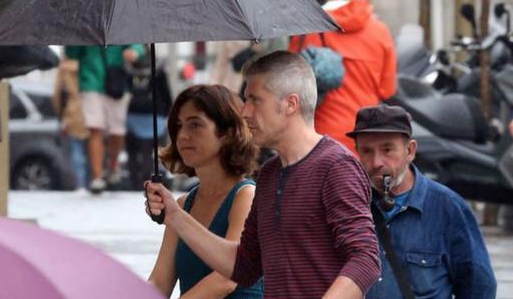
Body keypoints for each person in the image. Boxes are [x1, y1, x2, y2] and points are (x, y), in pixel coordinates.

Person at [146, 51, 380, 299]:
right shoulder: (269, 174)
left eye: (255, 100)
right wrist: (175, 215)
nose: (245, 112)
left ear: (291, 104)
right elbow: (244, 267)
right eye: (246, 100)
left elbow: (365, 259)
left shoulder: (336, 166)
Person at [348, 104, 497, 298]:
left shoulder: (448, 207)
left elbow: (479, 286)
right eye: (367, 151)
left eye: (387, 150)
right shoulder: (348, 204)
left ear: (410, 151)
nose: (377, 162)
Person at [147, 84, 263, 298]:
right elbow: (159, 281)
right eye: (179, 126)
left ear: (228, 133)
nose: (182, 135)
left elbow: (226, 280)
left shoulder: (246, 196)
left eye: (195, 125)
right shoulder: (182, 205)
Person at [290, 0, 396, 153]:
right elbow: (387, 89)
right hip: (366, 138)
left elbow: (291, 83)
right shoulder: (380, 31)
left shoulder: (309, 29)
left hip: (320, 138)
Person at [64, 44, 144, 194]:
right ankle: (97, 177)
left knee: (117, 131)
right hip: (91, 83)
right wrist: (72, 41)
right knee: (95, 129)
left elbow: (137, 44)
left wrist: (134, 51)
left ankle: (113, 164)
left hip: (117, 84)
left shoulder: (119, 24)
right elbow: (72, 53)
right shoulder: (85, 27)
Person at [125, 56, 173, 190]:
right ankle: (150, 175)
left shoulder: (129, 68)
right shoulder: (159, 69)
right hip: (155, 114)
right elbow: (166, 94)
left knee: (133, 149)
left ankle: (135, 178)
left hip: (133, 113)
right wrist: (168, 111)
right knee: (153, 147)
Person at [52, 58, 90, 189]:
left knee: (76, 151)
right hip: (91, 109)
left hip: (72, 112)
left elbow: (57, 94)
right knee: (91, 150)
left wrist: (60, 114)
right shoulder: (89, 63)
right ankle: (93, 181)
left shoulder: (64, 69)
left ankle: (81, 184)